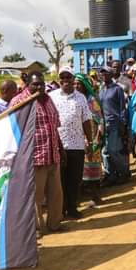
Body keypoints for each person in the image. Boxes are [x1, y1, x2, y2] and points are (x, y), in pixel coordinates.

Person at [10, 72, 65, 235]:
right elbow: (13, 130)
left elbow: (54, 127)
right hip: (34, 158)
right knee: (35, 197)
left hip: (52, 155)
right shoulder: (19, 102)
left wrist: (60, 149)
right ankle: (37, 229)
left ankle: (55, 223)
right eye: (35, 84)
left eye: (41, 84)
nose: (39, 87)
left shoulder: (48, 100)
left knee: (56, 194)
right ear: (28, 84)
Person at [50, 68, 93, 219]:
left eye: (69, 77)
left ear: (73, 79)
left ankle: (72, 208)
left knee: (74, 179)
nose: (66, 80)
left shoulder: (80, 98)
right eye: (63, 77)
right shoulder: (52, 97)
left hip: (77, 145)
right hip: (58, 146)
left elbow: (86, 120)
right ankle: (60, 210)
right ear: (59, 79)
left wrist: (90, 140)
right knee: (60, 180)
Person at [74, 74, 104, 207]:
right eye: (74, 84)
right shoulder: (75, 99)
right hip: (78, 138)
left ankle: (96, 197)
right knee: (80, 169)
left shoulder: (91, 100)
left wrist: (97, 137)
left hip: (91, 136)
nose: (76, 86)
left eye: (78, 84)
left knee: (93, 167)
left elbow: (100, 120)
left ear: (85, 85)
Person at [99, 66, 130, 186]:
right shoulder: (101, 90)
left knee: (114, 150)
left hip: (115, 123)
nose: (103, 75)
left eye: (106, 73)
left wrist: (123, 124)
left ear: (111, 75)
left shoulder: (117, 89)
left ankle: (124, 172)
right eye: (102, 73)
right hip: (104, 123)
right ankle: (110, 175)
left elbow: (123, 108)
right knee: (105, 151)